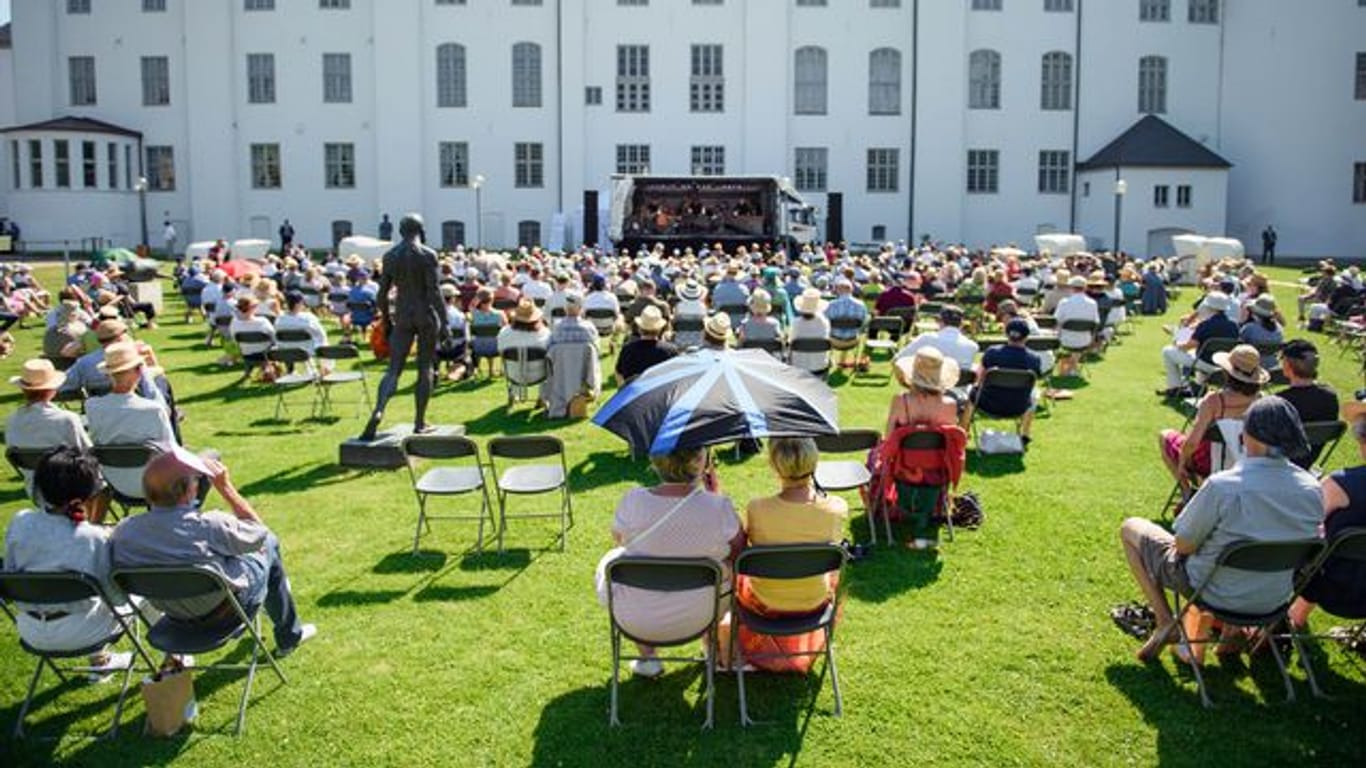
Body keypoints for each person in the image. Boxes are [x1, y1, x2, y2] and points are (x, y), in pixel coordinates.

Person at [1121, 396, 1321, 662]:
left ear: (1254, 437)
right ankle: (1230, 635)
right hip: (1272, 600)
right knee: (1235, 553)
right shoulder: (1312, 488)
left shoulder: (1224, 486)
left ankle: (1165, 621)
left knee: (1130, 528)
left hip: (1212, 590)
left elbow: (1183, 545)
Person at [110, 449, 317, 658]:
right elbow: (260, 534)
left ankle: (276, 602)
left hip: (174, 617)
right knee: (269, 543)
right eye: (196, 479)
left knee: (232, 555)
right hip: (227, 614)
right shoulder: (210, 525)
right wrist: (226, 488)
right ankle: (289, 636)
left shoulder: (124, 532)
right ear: (188, 490)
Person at [597, 446, 740, 678]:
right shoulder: (717, 506)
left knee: (614, 559)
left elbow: (619, 539)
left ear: (656, 461)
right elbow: (739, 550)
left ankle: (648, 657)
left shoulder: (633, 500)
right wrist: (714, 498)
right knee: (725, 567)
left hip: (637, 615)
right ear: (700, 462)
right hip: (702, 612)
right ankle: (709, 644)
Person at [4, 447, 146, 674]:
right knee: (145, 590)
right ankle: (177, 659)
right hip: (82, 632)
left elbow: (11, 574)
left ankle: (101, 662)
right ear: (89, 491)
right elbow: (116, 599)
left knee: (80, 596)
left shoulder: (20, 522)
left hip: (29, 628)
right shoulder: (93, 538)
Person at [731, 437, 847, 673]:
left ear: (774, 465)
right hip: (814, 601)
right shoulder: (836, 508)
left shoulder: (757, 508)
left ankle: (732, 650)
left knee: (735, 577)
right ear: (814, 463)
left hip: (765, 602)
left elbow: (740, 553)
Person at [360, 214, 449, 441]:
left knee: (393, 370)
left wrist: (387, 320)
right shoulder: (427, 255)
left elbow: (382, 294)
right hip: (424, 314)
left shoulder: (390, 256)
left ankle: (379, 410)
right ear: (420, 230)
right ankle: (419, 422)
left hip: (402, 314)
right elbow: (434, 292)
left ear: (400, 231)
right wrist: (445, 321)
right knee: (424, 368)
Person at [1289, 397, 1366, 629]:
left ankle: (1286, 619)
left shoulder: (1341, 485)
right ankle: (1296, 616)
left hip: (1330, 588)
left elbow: (1301, 527)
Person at [1159, 344, 1265, 498]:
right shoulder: (1262, 400)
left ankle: (1187, 491)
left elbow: (1192, 443)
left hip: (1212, 463)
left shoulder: (1213, 401)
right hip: (1248, 464)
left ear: (1227, 373)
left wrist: (1182, 461)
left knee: (1165, 436)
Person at [884, 348, 964, 549]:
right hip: (938, 470)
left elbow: (889, 438)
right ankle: (929, 510)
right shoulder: (951, 404)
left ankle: (893, 505)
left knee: (874, 456)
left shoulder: (901, 401)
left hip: (903, 468)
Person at [85, 342, 179, 499]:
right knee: (210, 458)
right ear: (139, 371)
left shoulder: (92, 406)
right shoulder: (152, 410)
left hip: (113, 483)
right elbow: (172, 452)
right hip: (157, 486)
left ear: (109, 374)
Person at [6, 359, 94, 504]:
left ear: (23, 389)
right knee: (102, 484)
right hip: (69, 487)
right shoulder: (66, 419)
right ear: (53, 389)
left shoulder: (11, 420)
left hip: (34, 488)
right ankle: (91, 522)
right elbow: (88, 453)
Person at [965, 319, 1043, 446]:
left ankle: (963, 432)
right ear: (1027, 337)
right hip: (1018, 406)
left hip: (987, 404)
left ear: (1006, 334)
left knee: (970, 392)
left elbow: (979, 379)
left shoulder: (992, 352)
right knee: (1034, 394)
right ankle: (1025, 434)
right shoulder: (1034, 359)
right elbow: (1032, 383)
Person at [1157, 292, 1238, 397]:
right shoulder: (1234, 325)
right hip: (1224, 364)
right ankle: (1198, 387)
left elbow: (1186, 346)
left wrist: (1180, 333)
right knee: (1199, 353)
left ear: (1209, 307)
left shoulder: (1206, 324)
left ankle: (1175, 387)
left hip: (1207, 363)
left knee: (1167, 351)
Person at [894, 304, 978, 371]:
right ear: (961, 324)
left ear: (940, 321)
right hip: (959, 391)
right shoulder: (972, 346)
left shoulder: (926, 338)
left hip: (927, 389)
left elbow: (898, 359)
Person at [616, 306, 678, 384]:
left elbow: (619, 374)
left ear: (639, 328)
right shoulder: (671, 351)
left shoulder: (627, 350)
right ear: (660, 329)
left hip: (634, 393)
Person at [1054, 276, 1100, 377]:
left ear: (1071, 287)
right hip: (1084, 340)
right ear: (1085, 288)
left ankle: (1068, 368)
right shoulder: (1093, 303)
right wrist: (1092, 339)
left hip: (1065, 340)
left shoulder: (1064, 302)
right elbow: (1096, 323)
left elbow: (1056, 320)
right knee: (1076, 341)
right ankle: (1071, 368)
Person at [825, 277, 868, 368]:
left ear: (838, 290)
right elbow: (864, 323)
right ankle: (842, 361)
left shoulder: (831, 305)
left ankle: (831, 360)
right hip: (853, 340)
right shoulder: (861, 305)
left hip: (834, 340)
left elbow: (825, 323)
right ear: (851, 290)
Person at [789, 288, 831, 376]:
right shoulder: (824, 322)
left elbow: (791, 342)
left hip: (798, 365)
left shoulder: (796, 323)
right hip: (820, 365)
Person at [1238, 294, 1283, 369]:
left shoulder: (1249, 328)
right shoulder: (1279, 328)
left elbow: (1238, 346)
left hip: (1250, 365)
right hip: (1272, 366)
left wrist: (1241, 321)